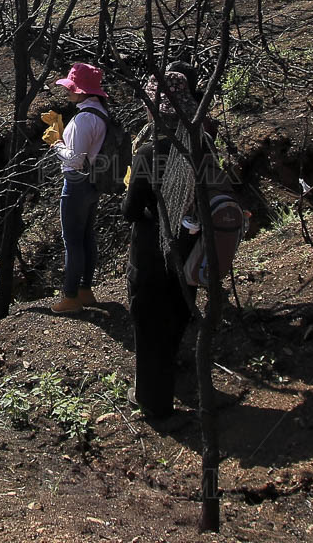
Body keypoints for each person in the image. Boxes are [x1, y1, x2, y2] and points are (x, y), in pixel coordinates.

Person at [120, 67, 209, 422]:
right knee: (175, 317)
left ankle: (153, 402)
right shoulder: (201, 143)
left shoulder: (149, 152)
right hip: (189, 252)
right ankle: (170, 380)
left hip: (153, 253)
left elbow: (130, 210)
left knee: (149, 324)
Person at [48, 63, 111, 314]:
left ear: (82, 90)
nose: (68, 92)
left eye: (71, 88)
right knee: (86, 236)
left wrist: (56, 143)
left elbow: (75, 159)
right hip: (93, 182)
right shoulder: (100, 113)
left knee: (72, 240)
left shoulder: (85, 117)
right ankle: (85, 290)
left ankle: (71, 296)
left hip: (77, 182)